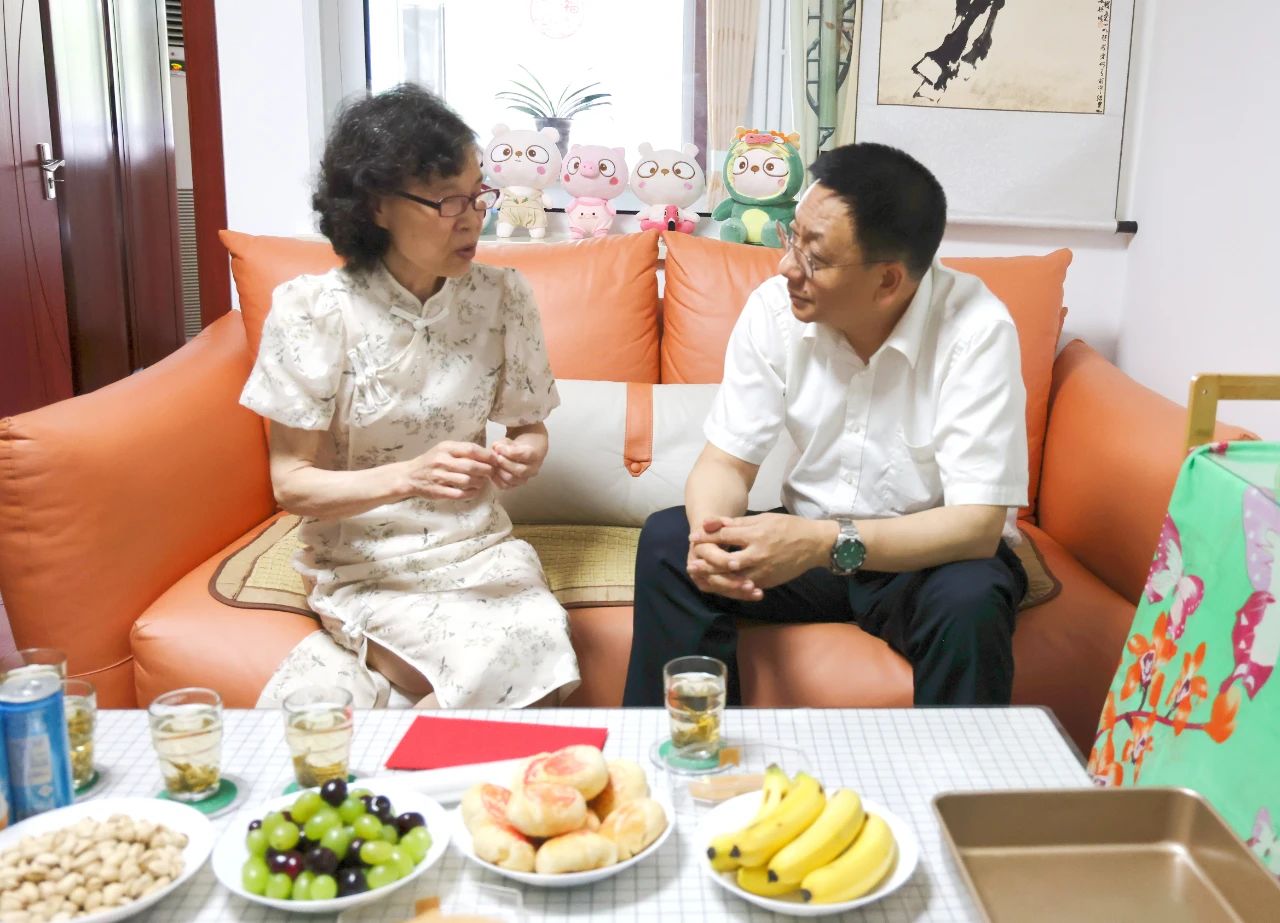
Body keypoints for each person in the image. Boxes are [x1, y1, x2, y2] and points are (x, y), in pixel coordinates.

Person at [622, 142, 1029, 708]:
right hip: (807, 545)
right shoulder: (774, 309)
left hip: (923, 558)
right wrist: (711, 540)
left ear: (888, 281)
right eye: (792, 238)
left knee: (973, 598)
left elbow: (977, 526)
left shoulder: (977, 330)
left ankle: (950, 767)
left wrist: (821, 544)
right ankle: (691, 748)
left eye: (814, 258)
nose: (787, 267)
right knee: (670, 541)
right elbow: (725, 464)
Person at [240, 84, 579, 708]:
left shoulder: (503, 296)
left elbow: (528, 427)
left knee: (540, 643)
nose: (473, 218)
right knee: (498, 664)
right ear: (376, 206)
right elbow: (291, 484)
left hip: (481, 550)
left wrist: (527, 452)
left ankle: (370, 710)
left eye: (477, 195)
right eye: (448, 200)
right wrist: (410, 477)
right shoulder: (313, 310)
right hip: (365, 562)